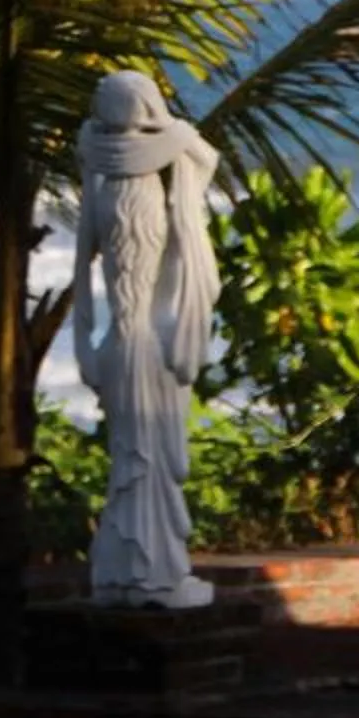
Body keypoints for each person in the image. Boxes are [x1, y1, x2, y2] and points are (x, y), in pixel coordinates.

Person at [73, 68, 220, 609]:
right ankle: (153, 573)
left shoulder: (98, 168)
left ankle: (121, 572)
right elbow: (206, 159)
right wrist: (170, 128)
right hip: (150, 343)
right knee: (149, 459)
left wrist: (84, 343)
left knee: (129, 460)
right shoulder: (172, 157)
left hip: (118, 340)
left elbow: (81, 270)